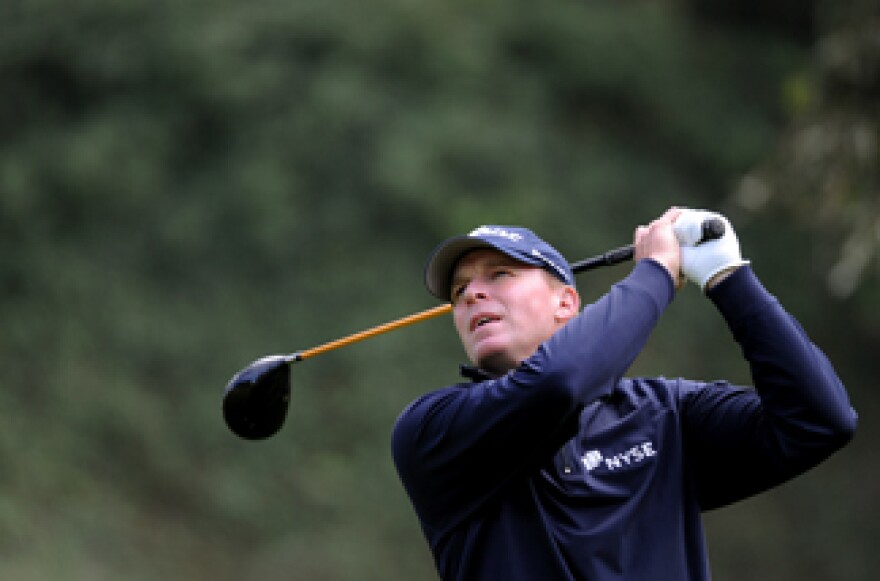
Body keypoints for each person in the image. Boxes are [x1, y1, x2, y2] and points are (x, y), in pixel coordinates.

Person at [391, 207, 857, 581]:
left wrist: (729, 278)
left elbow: (819, 420)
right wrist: (654, 272)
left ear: (566, 304)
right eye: (459, 289)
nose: (472, 294)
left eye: (499, 275)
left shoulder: (666, 414)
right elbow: (559, 383)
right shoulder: (432, 431)